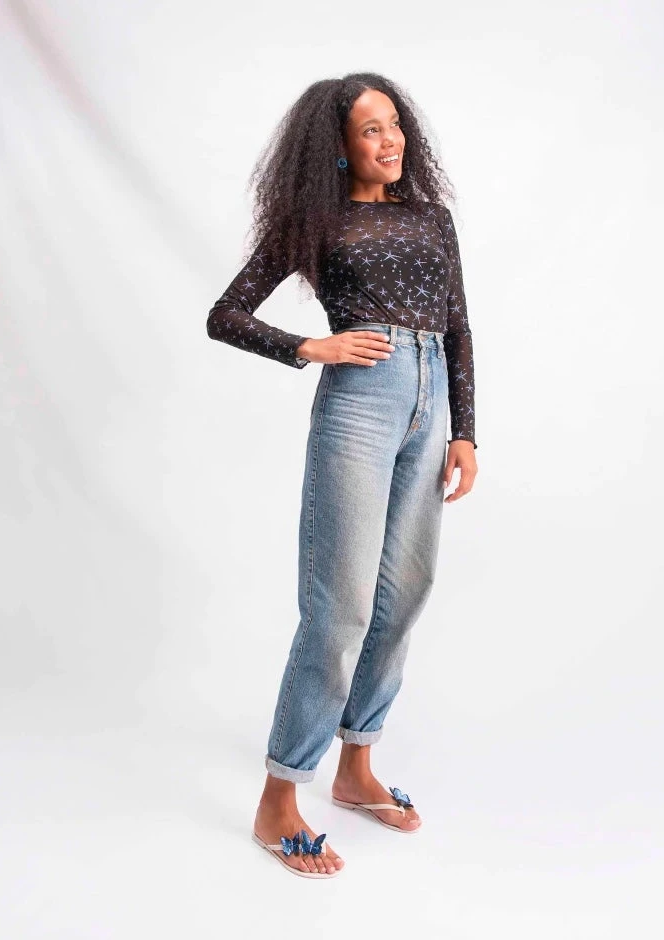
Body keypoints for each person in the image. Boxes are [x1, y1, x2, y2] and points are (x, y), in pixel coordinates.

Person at [206, 72, 478, 878]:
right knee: (340, 608)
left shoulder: (430, 216)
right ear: (338, 146)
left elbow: (459, 325)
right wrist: (308, 346)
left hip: (431, 402)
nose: (390, 141)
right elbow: (226, 314)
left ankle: (356, 769)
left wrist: (466, 432)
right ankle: (278, 798)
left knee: (404, 593)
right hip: (361, 403)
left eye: (394, 124)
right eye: (370, 130)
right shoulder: (316, 221)